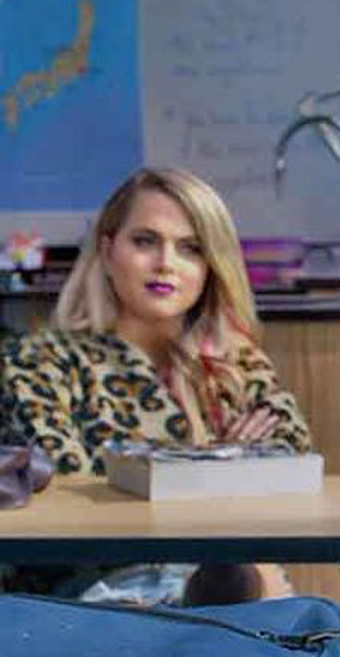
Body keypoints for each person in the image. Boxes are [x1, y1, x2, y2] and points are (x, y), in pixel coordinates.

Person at [1, 166, 310, 603]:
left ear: (210, 266)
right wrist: (220, 463)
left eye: (190, 248)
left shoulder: (236, 362)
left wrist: (154, 472)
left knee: (300, 616)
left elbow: (291, 462)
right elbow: (68, 496)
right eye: (145, 241)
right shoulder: (39, 361)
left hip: (239, 584)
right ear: (107, 250)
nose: (166, 263)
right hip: (96, 596)